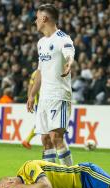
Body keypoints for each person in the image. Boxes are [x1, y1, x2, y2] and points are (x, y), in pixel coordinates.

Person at [26, 4, 75, 166]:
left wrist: (69, 62)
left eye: (37, 18)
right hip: (44, 98)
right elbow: (40, 71)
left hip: (59, 95)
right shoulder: (41, 43)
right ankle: (50, 178)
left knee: (56, 137)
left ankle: (71, 176)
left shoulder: (63, 38)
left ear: (44, 18)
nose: (35, 21)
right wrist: (32, 95)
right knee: (45, 139)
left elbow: (69, 52)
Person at [22, 70, 39, 149]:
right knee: (42, 124)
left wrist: (29, 98)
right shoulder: (45, 71)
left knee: (42, 124)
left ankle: (27, 140)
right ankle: (27, 140)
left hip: (37, 102)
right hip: (43, 103)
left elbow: (30, 86)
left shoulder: (35, 73)